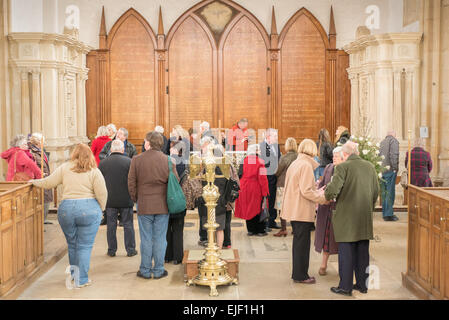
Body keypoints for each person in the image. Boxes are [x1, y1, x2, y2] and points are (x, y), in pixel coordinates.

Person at [30, 144, 107, 288]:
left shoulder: (65, 168)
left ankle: (74, 276)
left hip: (67, 210)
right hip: (89, 209)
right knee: (84, 246)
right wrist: (101, 209)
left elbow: (48, 183)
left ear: (74, 154)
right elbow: (102, 193)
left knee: (72, 245)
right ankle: (81, 280)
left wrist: (33, 182)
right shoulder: (94, 171)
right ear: (89, 154)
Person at [324, 141, 379, 296]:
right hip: (364, 216)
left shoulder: (343, 167)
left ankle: (345, 287)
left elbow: (332, 191)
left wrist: (328, 194)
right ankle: (362, 285)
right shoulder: (369, 167)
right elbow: (376, 191)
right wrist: (369, 208)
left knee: (346, 252)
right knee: (363, 252)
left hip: (347, 217)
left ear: (345, 154)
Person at [128, 131, 178, 280]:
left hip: (144, 204)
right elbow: (174, 182)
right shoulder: (168, 160)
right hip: (162, 205)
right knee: (160, 238)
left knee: (146, 238)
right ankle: (158, 270)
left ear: (148, 143)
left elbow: (131, 183)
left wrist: (137, 198)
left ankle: (144, 270)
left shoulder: (136, 160)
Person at [281, 139, 327, 285]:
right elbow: (306, 191)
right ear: (313, 150)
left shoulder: (296, 163)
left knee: (298, 243)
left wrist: (314, 187)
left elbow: (298, 185)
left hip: (294, 208)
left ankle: (298, 273)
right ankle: (301, 275)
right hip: (301, 209)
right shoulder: (306, 165)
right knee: (302, 244)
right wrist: (322, 198)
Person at [98, 139, 137, 258]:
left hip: (110, 200)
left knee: (111, 225)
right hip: (126, 199)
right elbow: (133, 180)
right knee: (128, 225)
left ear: (110, 149)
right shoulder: (129, 162)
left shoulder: (103, 163)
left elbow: (100, 182)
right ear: (122, 149)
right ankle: (130, 250)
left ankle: (111, 250)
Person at [314, 146, 343, 276]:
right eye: (333, 156)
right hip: (327, 208)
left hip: (340, 209)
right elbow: (322, 184)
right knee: (326, 239)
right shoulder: (328, 168)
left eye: (337, 156)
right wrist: (318, 190)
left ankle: (343, 266)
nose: (334, 158)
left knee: (340, 240)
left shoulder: (346, 170)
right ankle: (323, 264)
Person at [197, 143, 228, 248]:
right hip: (220, 200)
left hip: (209, 199)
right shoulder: (224, 167)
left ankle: (212, 248)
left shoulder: (208, 166)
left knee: (211, 227)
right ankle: (217, 250)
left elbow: (203, 183)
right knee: (219, 228)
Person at [235, 144, 269, 236]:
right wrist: (265, 192)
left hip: (244, 187)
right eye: (259, 150)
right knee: (258, 208)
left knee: (247, 208)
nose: (260, 152)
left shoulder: (244, 160)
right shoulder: (260, 162)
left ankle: (250, 230)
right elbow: (263, 178)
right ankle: (260, 230)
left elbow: (239, 174)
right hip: (255, 187)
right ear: (256, 151)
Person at [165, 140, 188, 264]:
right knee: (178, 230)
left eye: (171, 148)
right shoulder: (185, 163)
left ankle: (167, 256)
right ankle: (178, 257)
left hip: (167, 200)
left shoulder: (167, 163)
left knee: (167, 230)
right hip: (179, 200)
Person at [273, 137, 298, 237]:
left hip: (282, 184)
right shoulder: (298, 156)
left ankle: (283, 229)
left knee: (281, 207)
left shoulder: (284, 157)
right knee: (294, 206)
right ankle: (295, 228)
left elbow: (278, 171)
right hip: (295, 184)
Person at [28, 133, 53, 224]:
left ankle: (44, 219)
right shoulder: (33, 152)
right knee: (43, 199)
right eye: (43, 141)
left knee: (46, 199)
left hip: (45, 177)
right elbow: (33, 165)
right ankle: (40, 221)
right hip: (40, 178)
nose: (44, 143)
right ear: (38, 142)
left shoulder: (40, 150)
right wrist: (40, 173)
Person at [259, 128, 281, 231]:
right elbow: (261, 164)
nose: (277, 138)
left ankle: (272, 221)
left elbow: (278, 159)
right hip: (266, 178)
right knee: (265, 201)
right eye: (275, 136)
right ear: (268, 137)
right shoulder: (261, 147)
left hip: (275, 178)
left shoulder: (276, 146)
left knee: (272, 200)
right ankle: (265, 222)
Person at [379, 131, 400, 221]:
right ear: (394, 135)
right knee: (390, 192)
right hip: (390, 170)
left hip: (381, 170)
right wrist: (395, 167)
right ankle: (388, 214)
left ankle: (385, 213)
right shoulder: (393, 141)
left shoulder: (382, 142)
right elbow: (394, 155)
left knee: (384, 192)